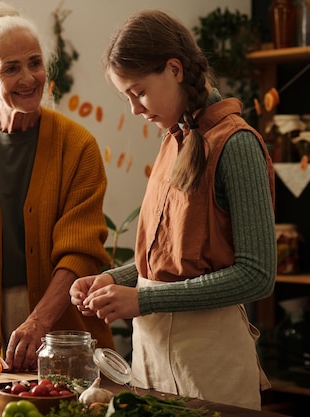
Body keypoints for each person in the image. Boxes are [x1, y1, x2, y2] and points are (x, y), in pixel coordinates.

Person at [69, 10, 276, 410]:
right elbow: (172, 260)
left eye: (139, 92)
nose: (134, 109)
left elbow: (257, 275)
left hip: (209, 363)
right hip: (151, 359)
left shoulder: (237, 145)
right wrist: (111, 279)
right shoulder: (173, 141)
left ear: (175, 69)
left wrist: (142, 301)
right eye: (126, 96)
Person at [0, 1, 114, 372]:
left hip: (64, 338)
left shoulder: (78, 147)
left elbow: (80, 252)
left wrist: (39, 323)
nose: (29, 78)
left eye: (35, 62)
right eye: (11, 68)